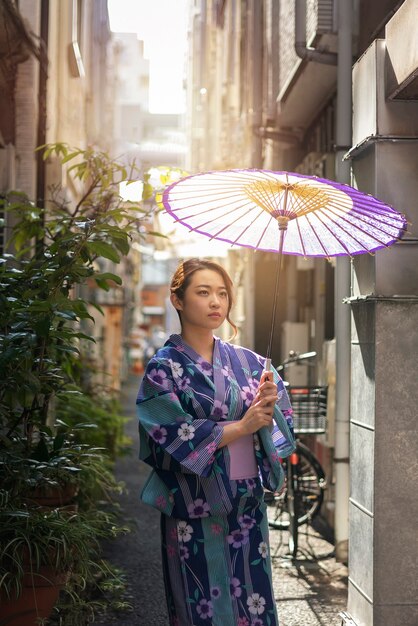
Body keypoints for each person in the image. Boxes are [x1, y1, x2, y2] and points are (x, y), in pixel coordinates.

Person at [137, 258, 295, 626]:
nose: (215, 302)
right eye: (203, 292)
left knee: (252, 597)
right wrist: (243, 425)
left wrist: (269, 401)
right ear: (177, 300)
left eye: (222, 293)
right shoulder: (163, 367)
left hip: (244, 499)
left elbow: (279, 422)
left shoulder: (251, 363)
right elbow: (170, 433)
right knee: (199, 601)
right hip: (194, 501)